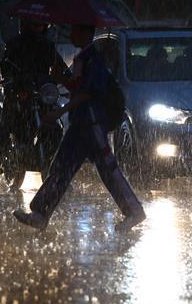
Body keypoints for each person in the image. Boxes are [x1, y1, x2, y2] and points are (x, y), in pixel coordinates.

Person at [13, 24, 146, 232]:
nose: (71, 33)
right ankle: (40, 213)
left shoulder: (93, 60)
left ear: (86, 33)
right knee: (61, 168)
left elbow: (87, 93)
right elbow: (79, 89)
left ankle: (134, 211)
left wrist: (59, 112)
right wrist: (62, 80)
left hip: (92, 125)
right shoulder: (84, 58)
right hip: (80, 125)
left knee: (107, 169)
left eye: (76, 29)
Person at [0, 19, 69, 194]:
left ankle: (53, 166)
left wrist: (70, 83)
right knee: (4, 130)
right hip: (17, 96)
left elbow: (60, 69)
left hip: (41, 96)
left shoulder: (48, 47)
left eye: (39, 24)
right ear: (24, 24)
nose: (37, 27)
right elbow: (5, 67)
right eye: (33, 23)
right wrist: (16, 83)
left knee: (56, 127)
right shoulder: (14, 45)